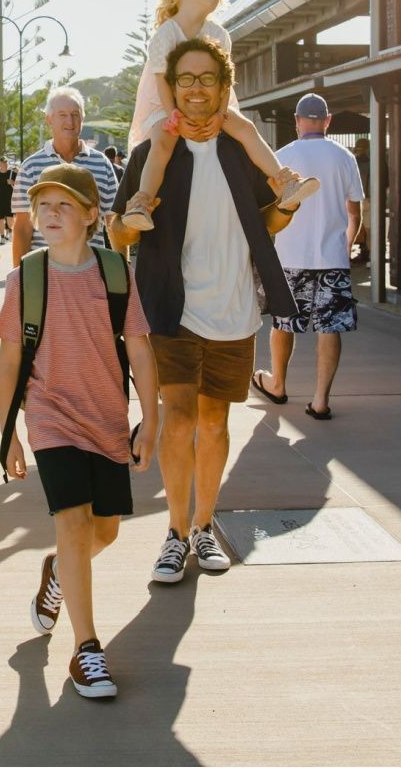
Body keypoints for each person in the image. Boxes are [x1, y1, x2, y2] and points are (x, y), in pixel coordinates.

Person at [109, 38, 298, 583]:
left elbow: (267, 221)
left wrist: (286, 208)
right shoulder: (153, 152)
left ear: (224, 86)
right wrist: (131, 223)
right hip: (172, 306)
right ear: (172, 87)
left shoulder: (241, 150)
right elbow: (118, 232)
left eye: (207, 78)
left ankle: (203, 525)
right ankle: (174, 534)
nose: (196, 88)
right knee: (179, 417)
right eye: (186, 78)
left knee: (215, 421)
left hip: (234, 307)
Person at [0, 164, 157, 700]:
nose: (51, 213)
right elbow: (9, 360)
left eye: (65, 204)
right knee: (72, 521)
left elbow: (139, 349)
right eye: (43, 204)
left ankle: (58, 572)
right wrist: (9, 433)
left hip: (107, 418)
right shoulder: (25, 279)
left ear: (92, 215)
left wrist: (151, 418)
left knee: (103, 532)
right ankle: (86, 649)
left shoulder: (115, 274)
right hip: (51, 417)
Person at [120, 0, 314, 230]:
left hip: (213, 101)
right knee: (162, 142)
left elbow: (225, 79)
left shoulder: (218, 34)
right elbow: (162, 81)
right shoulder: (165, 34)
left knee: (246, 129)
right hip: (165, 102)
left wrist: (221, 113)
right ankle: (142, 202)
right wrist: (174, 116)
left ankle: (284, 181)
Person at [261, 93, 363, 419]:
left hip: (290, 255)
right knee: (329, 328)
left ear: (297, 121)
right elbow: (355, 213)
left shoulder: (281, 157)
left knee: (283, 324)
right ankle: (320, 401)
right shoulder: (345, 157)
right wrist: (346, 247)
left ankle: (277, 384)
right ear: (327, 121)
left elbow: (268, 211)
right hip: (332, 257)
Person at [11, 87, 118, 264]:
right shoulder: (30, 166)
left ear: (83, 119)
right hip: (42, 271)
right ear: (49, 119)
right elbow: (22, 228)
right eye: (62, 115)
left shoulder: (102, 164)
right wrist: (19, 275)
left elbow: (113, 221)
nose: (70, 121)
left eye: (75, 114)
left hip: (91, 270)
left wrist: (122, 270)